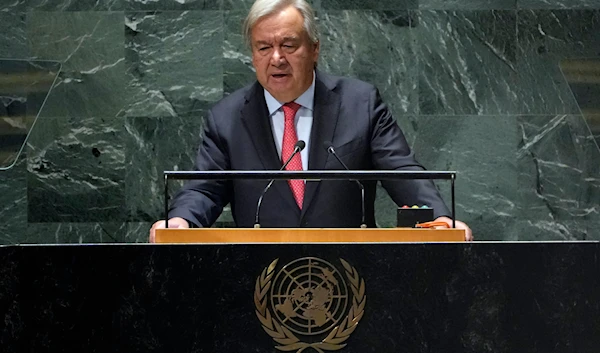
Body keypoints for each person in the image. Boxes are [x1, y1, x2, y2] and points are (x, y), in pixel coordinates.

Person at [149, 0, 473, 242]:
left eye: (288, 45)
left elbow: (401, 171)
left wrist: (441, 218)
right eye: (264, 47)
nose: (276, 58)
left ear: (314, 48)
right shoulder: (227, 119)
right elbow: (204, 190)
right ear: (252, 55)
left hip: (352, 273)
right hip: (261, 279)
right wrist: (181, 222)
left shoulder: (360, 104)